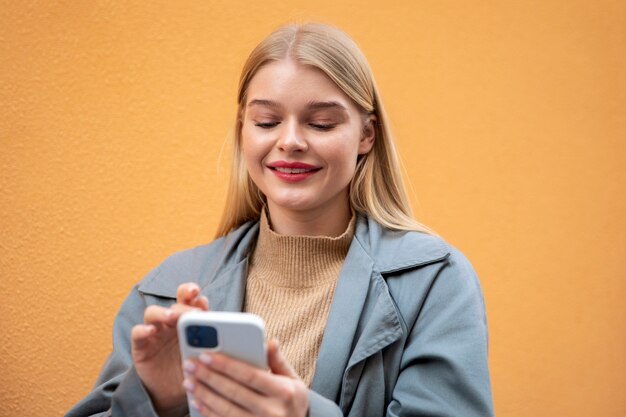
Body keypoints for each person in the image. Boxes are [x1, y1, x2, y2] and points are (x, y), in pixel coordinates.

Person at [67, 23, 494, 417]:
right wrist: (157, 400)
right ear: (242, 130)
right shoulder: (162, 294)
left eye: (321, 123)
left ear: (366, 135)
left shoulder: (435, 282)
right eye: (267, 121)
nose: (289, 141)